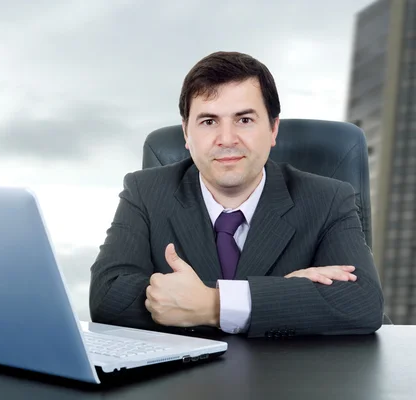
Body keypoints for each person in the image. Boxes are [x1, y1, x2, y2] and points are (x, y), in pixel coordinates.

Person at [88, 51, 384, 338]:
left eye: (244, 120)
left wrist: (213, 306)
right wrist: (277, 295)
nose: (226, 140)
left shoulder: (328, 198)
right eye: (208, 121)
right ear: (186, 134)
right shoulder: (145, 192)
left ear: (272, 129)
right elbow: (107, 296)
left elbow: (362, 303)